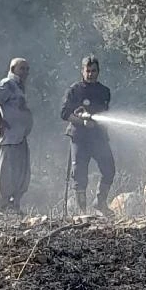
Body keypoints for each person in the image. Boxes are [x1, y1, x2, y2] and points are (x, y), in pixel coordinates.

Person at [61, 55, 115, 215]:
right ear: (82, 71)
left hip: (99, 138)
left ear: (98, 72)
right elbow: (64, 113)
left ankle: (100, 202)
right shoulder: (74, 90)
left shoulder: (105, 91)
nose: (91, 74)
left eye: (94, 71)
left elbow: (104, 113)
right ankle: (82, 212)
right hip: (79, 139)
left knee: (109, 169)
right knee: (79, 176)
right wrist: (81, 121)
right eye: (88, 71)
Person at [0, 58, 33, 215]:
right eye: (22, 69)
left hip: (19, 138)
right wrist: (0, 122)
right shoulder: (7, 83)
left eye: (27, 69)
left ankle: (15, 206)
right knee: (5, 175)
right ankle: (4, 209)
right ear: (13, 69)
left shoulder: (20, 87)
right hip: (8, 139)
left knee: (21, 174)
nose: (25, 72)